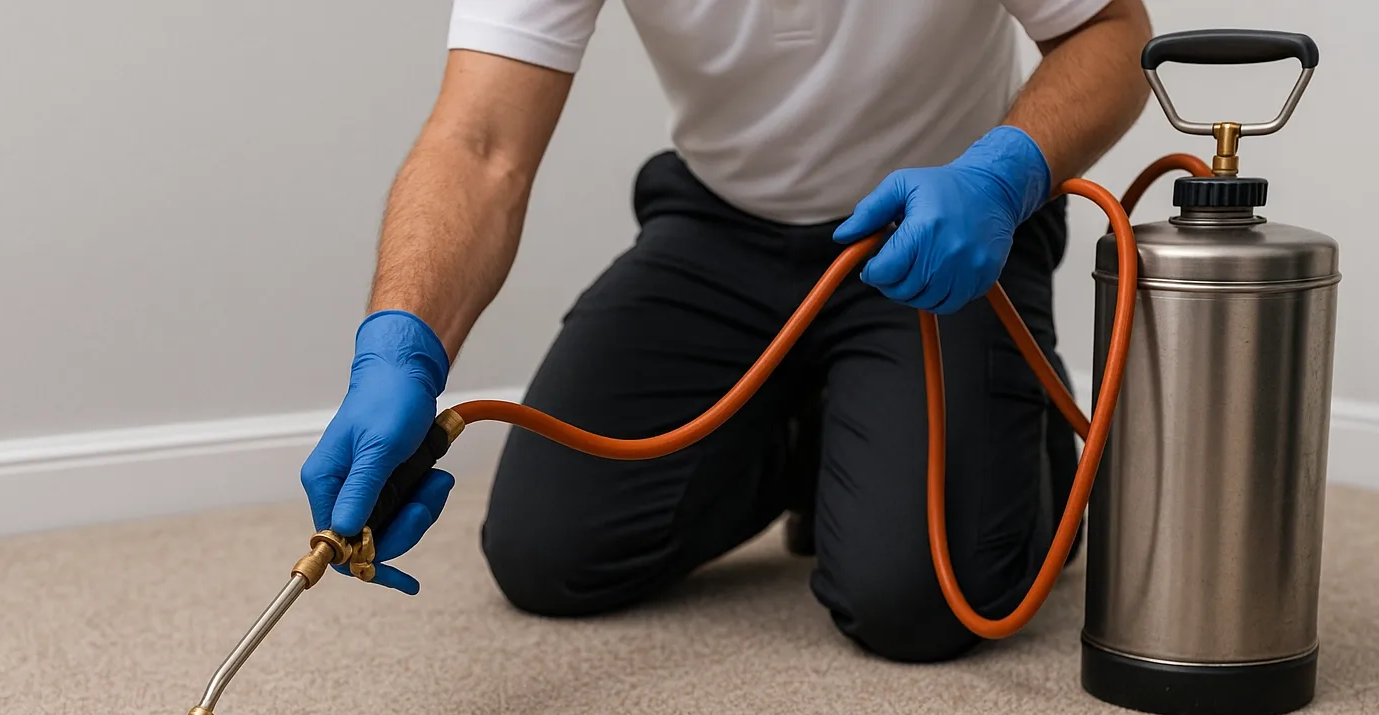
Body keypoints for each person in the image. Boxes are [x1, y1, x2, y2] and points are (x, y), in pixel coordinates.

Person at [301, 0, 1153, 661]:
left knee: (921, 600)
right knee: (547, 553)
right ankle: (824, 433)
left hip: (938, 225)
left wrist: (1001, 176)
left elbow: (1112, 32)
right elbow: (481, 143)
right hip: (724, 228)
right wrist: (400, 345)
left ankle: (1020, 443)